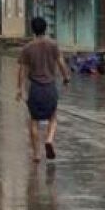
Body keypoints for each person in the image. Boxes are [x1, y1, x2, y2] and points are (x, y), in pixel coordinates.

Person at [16, 16, 70, 162]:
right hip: (50, 87)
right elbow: (61, 63)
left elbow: (23, 71)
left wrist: (20, 89)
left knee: (34, 121)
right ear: (45, 28)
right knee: (53, 117)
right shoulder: (53, 45)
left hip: (35, 89)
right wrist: (66, 78)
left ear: (32, 30)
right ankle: (50, 139)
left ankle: (36, 154)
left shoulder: (27, 48)